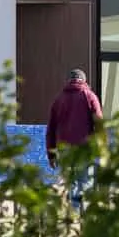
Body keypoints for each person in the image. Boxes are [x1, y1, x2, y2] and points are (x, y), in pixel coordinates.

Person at [45, 67, 102, 210]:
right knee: (85, 182)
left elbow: (51, 130)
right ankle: (85, 215)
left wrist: (51, 155)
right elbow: (99, 125)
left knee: (70, 183)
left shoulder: (58, 100)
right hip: (85, 149)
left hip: (64, 150)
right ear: (84, 81)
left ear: (69, 81)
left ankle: (72, 215)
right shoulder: (90, 96)